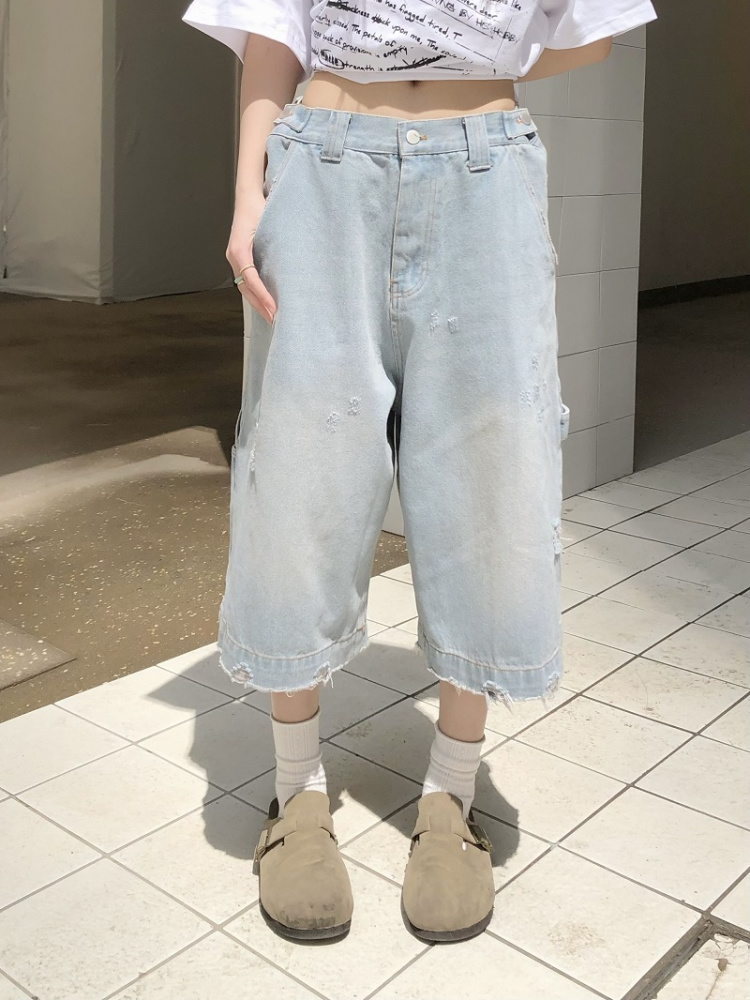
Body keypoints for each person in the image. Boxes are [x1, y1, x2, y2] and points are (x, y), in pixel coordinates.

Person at [181, 0, 658, 943]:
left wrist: (466, 59)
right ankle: (296, 792)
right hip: (321, 168)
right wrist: (248, 190)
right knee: (299, 471)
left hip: (484, 171)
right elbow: (273, 27)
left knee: (490, 472)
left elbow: (592, 31)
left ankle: (451, 793)